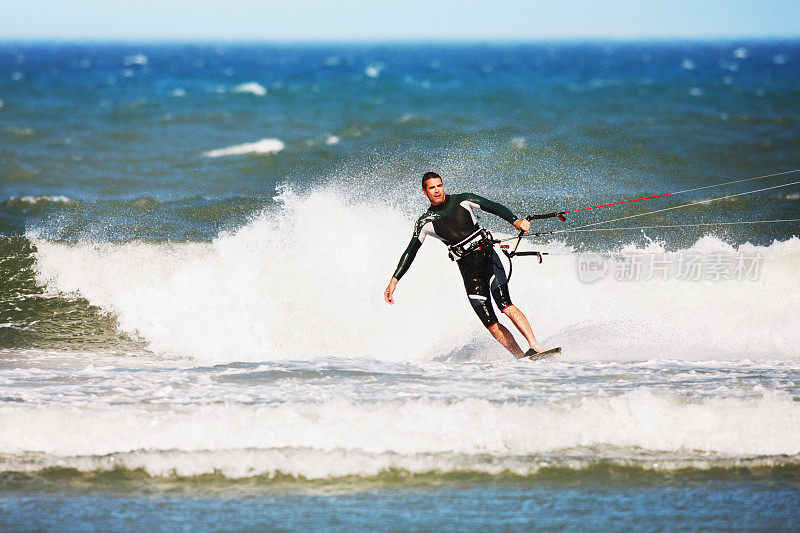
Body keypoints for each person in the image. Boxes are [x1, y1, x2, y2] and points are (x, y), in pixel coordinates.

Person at [383, 172, 545, 358]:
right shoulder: (425, 222)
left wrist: (516, 221)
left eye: (439, 186)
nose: (437, 191)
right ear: (424, 191)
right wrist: (395, 279)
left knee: (505, 305)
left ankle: (535, 345)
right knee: (490, 322)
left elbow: (493, 207)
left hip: (487, 259)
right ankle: (522, 357)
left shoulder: (463, 200)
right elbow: (411, 251)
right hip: (469, 272)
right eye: (432, 188)